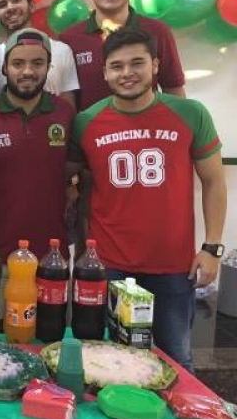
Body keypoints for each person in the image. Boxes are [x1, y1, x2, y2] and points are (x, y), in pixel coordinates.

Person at [69, 28, 226, 372]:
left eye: (137, 63)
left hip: (172, 266)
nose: (127, 73)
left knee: (177, 362)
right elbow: (73, 184)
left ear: (155, 65)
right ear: (105, 72)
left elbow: (214, 181)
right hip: (109, 264)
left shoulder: (190, 113)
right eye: (117, 66)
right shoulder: (85, 122)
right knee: (107, 362)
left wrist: (212, 248)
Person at [0, 28, 75, 262]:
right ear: (4, 67)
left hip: (52, 254)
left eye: (37, 63)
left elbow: (75, 173)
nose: (28, 72)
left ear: (49, 66)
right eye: (18, 64)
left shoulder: (65, 113)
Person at [60, 0, 186, 111]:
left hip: (148, 126)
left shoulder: (158, 31)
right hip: (91, 128)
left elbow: (173, 90)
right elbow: (67, 102)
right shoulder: (69, 39)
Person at [0, 0, 79, 106]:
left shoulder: (62, 50)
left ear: (31, 6)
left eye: (16, 0)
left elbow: (68, 106)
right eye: (2, 5)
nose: (10, 8)